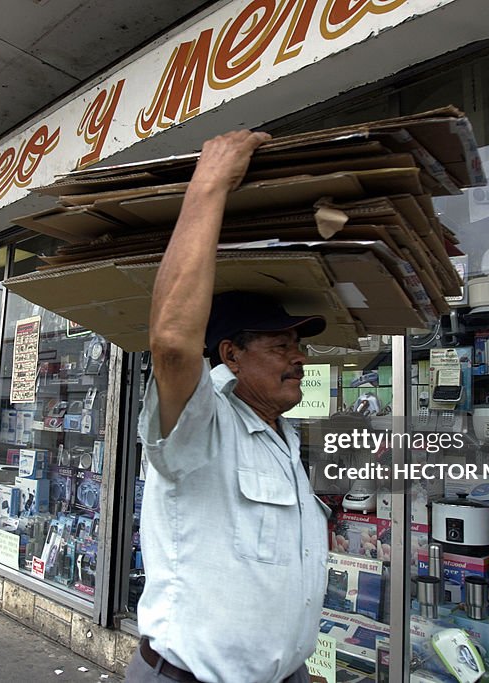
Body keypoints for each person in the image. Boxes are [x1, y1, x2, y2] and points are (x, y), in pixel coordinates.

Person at [127, 130, 331, 683]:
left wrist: (291, 662)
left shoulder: (283, 439)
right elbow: (171, 342)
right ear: (231, 355)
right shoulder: (203, 428)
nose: (300, 360)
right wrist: (210, 183)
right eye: (280, 346)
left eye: (300, 346)